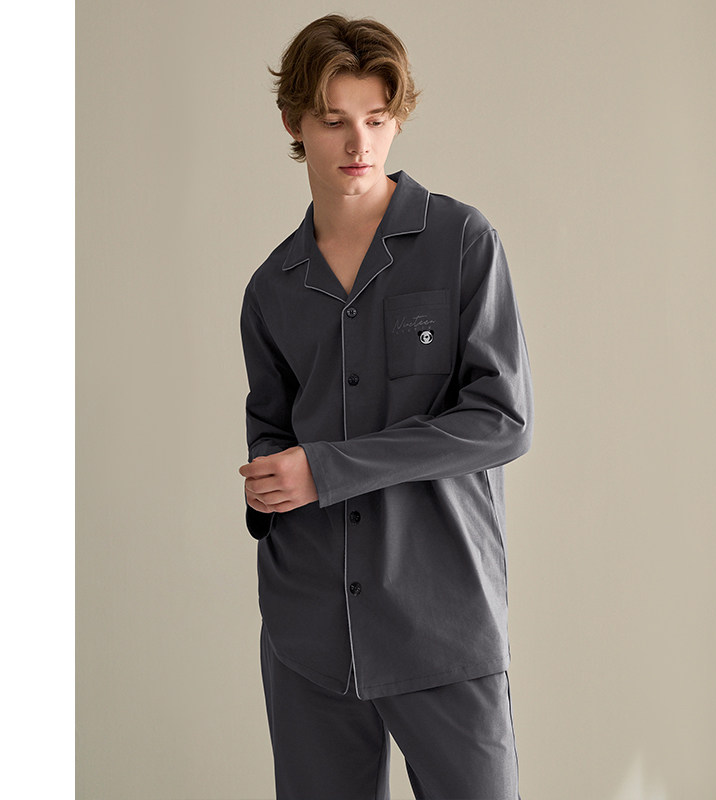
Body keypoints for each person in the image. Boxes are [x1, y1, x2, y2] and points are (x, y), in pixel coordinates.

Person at [238, 14, 534, 800]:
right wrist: (268, 481)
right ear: (294, 123)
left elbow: (502, 419)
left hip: (442, 620)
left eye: (376, 119)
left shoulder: (461, 242)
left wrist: (326, 469)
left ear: (397, 119)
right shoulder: (271, 289)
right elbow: (270, 428)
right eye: (333, 120)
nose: (358, 143)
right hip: (308, 633)